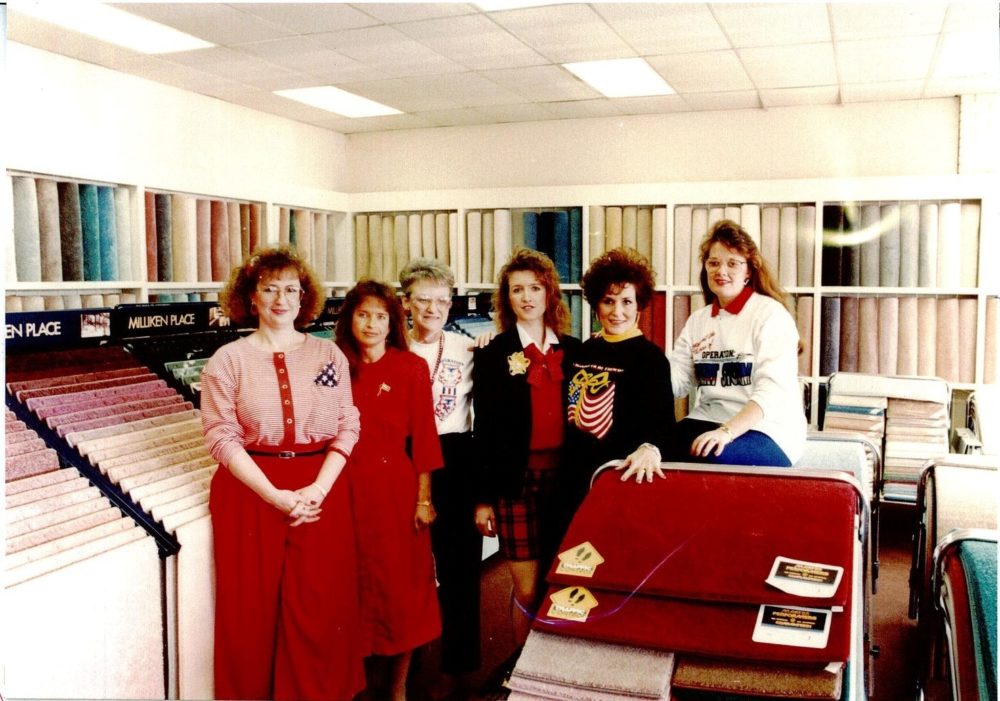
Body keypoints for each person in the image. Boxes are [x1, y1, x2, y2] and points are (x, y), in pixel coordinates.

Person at [200, 247, 364, 701]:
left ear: (304, 297)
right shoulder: (227, 360)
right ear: (250, 297)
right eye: (269, 289)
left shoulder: (327, 355)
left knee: (319, 604)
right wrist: (275, 494)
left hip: (322, 489)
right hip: (249, 492)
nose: (281, 299)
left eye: (291, 289)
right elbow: (220, 437)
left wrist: (317, 489)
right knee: (250, 611)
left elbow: (347, 424)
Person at [335, 280, 444, 701]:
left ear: (393, 322)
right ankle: (357, 687)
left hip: (398, 494)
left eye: (381, 316)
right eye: (364, 314)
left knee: (404, 595)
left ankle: (397, 691)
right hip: (344, 492)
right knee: (352, 592)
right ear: (350, 319)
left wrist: (423, 499)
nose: (372, 324)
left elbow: (426, 442)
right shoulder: (334, 367)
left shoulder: (410, 368)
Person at [473, 248, 582, 647]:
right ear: (507, 298)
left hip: (565, 483)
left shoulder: (575, 351)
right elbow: (482, 431)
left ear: (550, 293)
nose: (527, 297)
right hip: (513, 483)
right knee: (527, 589)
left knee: (563, 586)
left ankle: (552, 675)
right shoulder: (492, 353)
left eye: (535, 287)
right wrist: (483, 500)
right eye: (517, 289)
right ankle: (519, 672)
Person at [398, 259, 481, 699]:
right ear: (406, 302)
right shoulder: (393, 350)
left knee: (460, 569)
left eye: (442, 300)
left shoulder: (468, 349)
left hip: (455, 457)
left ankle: (458, 671)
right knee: (405, 570)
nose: (433, 308)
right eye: (423, 300)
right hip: (404, 460)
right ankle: (403, 669)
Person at [670, 219, 806, 466]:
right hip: (709, 419)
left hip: (769, 430)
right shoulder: (697, 321)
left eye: (733, 263)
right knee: (652, 448)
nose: (721, 271)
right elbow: (678, 381)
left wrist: (727, 431)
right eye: (713, 263)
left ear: (749, 271)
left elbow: (771, 392)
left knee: (711, 456)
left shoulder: (771, 315)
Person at [564, 247, 676, 506]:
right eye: (608, 301)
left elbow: (663, 428)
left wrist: (650, 448)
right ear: (596, 305)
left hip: (620, 481)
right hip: (573, 481)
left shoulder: (651, 359)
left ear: (639, 305)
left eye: (626, 301)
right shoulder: (583, 350)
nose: (617, 312)